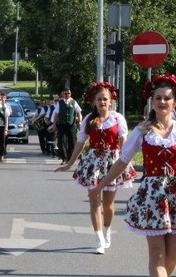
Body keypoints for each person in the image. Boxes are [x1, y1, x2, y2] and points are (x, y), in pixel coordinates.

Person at [90, 74, 176, 277]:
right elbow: (122, 160)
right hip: (152, 196)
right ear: (151, 102)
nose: (163, 102)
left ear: (175, 102)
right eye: (158, 98)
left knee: (174, 255)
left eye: (167, 98)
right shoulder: (142, 130)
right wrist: (102, 184)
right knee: (157, 254)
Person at [55, 82, 137, 254]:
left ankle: (107, 230)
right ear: (94, 102)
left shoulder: (117, 118)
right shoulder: (89, 119)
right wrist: (70, 163)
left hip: (112, 162)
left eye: (105, 99)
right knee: (94, 200)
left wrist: (126, 160)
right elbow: (80, 142)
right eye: (99, 99)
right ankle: (98, 237)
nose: (102, 102)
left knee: (108, 204)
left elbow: (123, 141)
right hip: (93, 163)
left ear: (111, 101)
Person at [51, 88, 82, 163]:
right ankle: (64, 158)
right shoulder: (60, 103)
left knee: (72, 142)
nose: (67, 95)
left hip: (71, 124)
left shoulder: (74, 102)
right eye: (65, 93)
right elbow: (56, 114)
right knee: (62, 141)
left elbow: (79, 112)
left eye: (68, 93)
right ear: (63, 94)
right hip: (62, 124)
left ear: (70, 94)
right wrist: (54, 124)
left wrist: (80, 121)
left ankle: (69, 158)